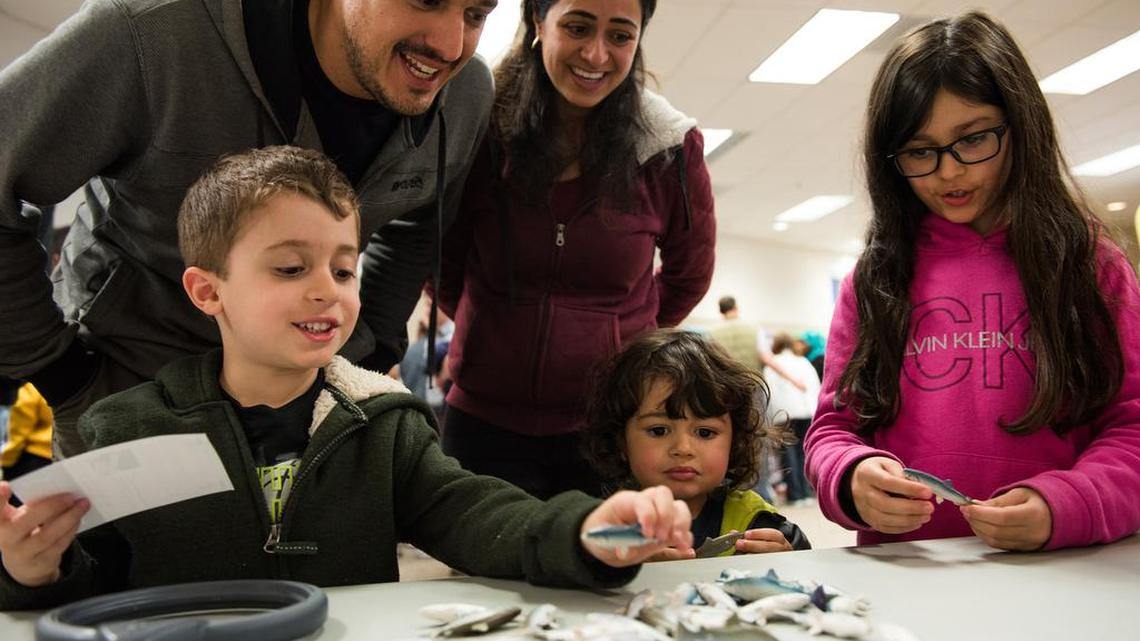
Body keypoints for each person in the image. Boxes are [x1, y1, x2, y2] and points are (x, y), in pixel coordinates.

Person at [0, 147, 694, 610]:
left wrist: (584, 531)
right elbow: (86, 582)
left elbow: (481, 515)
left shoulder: (384, 422)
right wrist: (33, 568)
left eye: (343, 267)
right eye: (290, 267)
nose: (327, 291)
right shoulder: (128, 426)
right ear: (209, 292)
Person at [0, 0, 498, 459]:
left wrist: (371, 353)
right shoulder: (152, 32)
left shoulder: (465, 93)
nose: (450, 46)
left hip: (304, 401)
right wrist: (56, 371)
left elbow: (418, 228)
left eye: (476, 13)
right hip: (128, 386)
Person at [806, 11, 1140, 551]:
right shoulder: (874, 278)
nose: (949, 171)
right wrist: (851, 476)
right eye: (920, 151)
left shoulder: (1090, 265)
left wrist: (1070, 503)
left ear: (1020, 123)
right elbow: (833, 430)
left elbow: (1133, 429)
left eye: (974, 139)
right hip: (908, 578)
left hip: (1063, 574)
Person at [436, 0, 715, 499]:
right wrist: (491, 324)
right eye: (578, 27)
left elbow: (689, 273)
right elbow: (443, 255)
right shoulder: (481, 123)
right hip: (484, 422)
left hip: (608, 429)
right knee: (488, 571)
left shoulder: (668, 146)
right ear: (538, 23)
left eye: (620, 35)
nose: (596, 53)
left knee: (604, 571)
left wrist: (625, 340)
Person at [581, 329, 811, 557]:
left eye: (705, 433)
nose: (683, 449)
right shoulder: (605, 524)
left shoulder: (758, 520)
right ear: (621, 440)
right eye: (659, 430)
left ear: (735, 442)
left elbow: (806, 567)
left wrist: (787, 558)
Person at [764, 333, 820, 505]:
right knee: (804, 453)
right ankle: (806, 492)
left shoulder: (772, 364)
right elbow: (816, 388)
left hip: (784, 415)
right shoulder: (803, 362)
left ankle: (795, 495)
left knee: (788, 454)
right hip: (806, 413)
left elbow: (769, 394)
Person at [709, 296, 806, 392]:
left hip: (726, 387)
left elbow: (710, 362)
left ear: (721, 311)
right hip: (753, 385)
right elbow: (767, 359)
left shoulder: (712, 333)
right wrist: (794, 380)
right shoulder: (754, 328)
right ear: (736, 308)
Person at [1, 384, 53, 484]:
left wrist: (5, 461)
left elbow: (19, 430)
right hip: (62, 456)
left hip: (31, 459)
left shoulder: (31, 383)